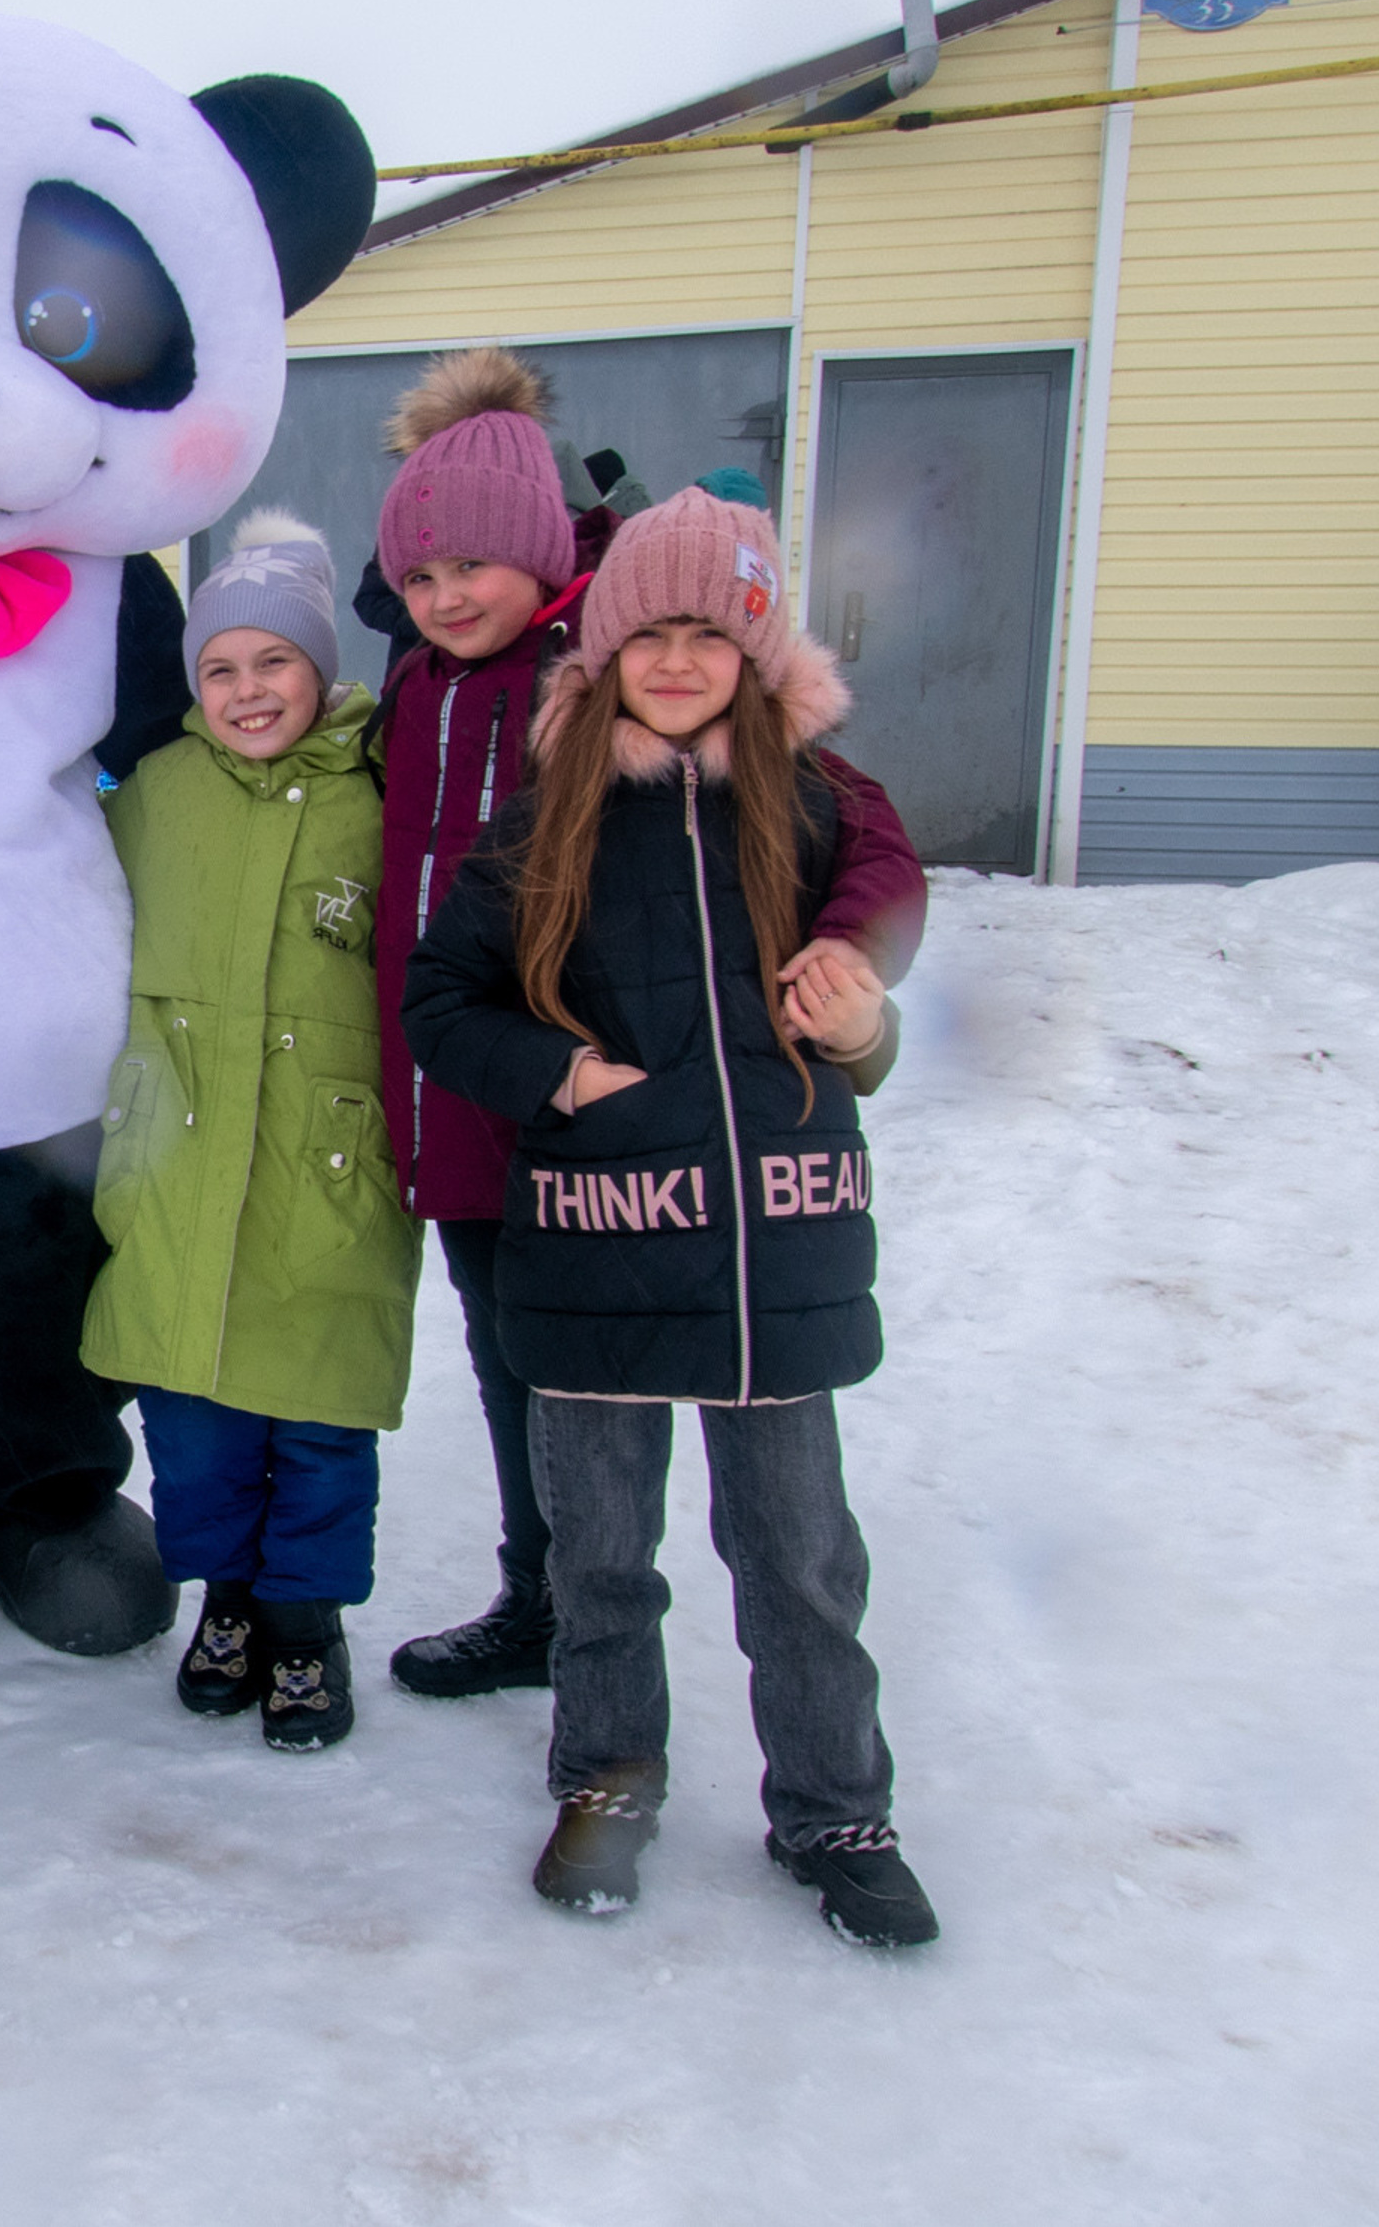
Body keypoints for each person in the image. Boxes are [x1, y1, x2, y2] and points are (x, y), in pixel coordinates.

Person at [402, 485, 937, 1946]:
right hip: (594, 1251)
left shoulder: (818, 810)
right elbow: (439, 1001)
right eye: (656, 632)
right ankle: (608, 1779)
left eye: (716, 630)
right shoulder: (548, 824)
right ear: (612, 649)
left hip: (776, 1253)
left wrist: (861, 1021)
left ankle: (835, 1809)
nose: (684, 659)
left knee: (800, 1560)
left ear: (757, 647)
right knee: (602, 1557)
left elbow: (869, 996)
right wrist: (560, 1075)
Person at [82, 515, 420, 1750]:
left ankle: (306, 1620)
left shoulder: (377, 791)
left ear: (319, 667)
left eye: (272, 662)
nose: (245, 690)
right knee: (191, 1412)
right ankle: (226, 1598)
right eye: (219, 668)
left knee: (318, 1409)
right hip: (175, 1147)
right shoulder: (157, 793)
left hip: (323, 1159)